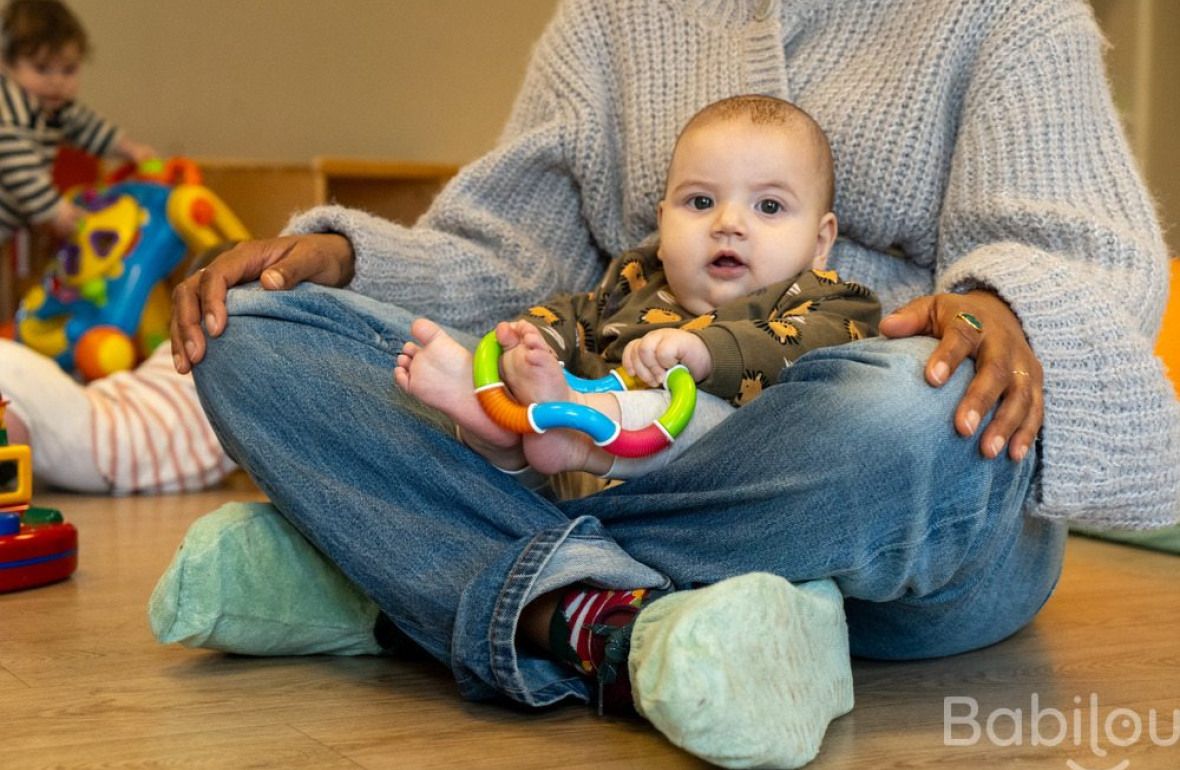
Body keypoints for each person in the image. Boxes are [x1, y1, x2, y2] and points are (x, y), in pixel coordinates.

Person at [167, 1, 1179, 767]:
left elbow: (1080, 246)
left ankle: (407, 580)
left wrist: (1004, 304)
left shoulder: (1008, 17)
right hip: (591, 433)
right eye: (697, 201)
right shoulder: (614, 18)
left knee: (922, 412)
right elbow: (510, 262)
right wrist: (345, 261)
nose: (727, 222)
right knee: (250, 329)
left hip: (875, 490)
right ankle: (611, 619)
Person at [395, 95, 880, 481]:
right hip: (572, 479)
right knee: (520, 461)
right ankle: (494, 436)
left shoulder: (830, 301)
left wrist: (707, 351)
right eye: (701, 200)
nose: (728, 223)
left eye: (769, 207)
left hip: (707, 485)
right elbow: (580, 314)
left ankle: (577, 422)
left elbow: (810, 347)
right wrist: (531, 340)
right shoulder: (637, 281)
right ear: (663, 224)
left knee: (710, 417)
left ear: (820, 242)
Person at [0, 0, 154, 243]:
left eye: (68, 70)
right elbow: (18, 166)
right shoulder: (8, 109)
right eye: (42, 69)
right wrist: (55, 210)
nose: (57, 81)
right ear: (5, 63)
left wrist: (129, 148)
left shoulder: (54, 106)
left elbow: (88, 126)